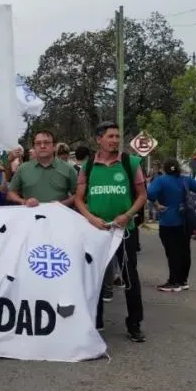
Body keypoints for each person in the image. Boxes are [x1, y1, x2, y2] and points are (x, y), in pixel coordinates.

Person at [75, 121, 147, 343]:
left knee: (129, 278)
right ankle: (96, 320)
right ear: (99, 139)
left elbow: (142, 196)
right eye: (110, 136)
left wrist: (128, 215)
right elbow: (78, 199)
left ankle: (134, 324)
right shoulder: (88, 166)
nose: (115, 140)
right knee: (94, 276)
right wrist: (91, 219)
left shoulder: (130, 163)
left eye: (117, 136)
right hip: (96, 231)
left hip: (124, 232)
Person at [147, 158, 196, 292]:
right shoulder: (186, 180)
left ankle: (173, 281)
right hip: (185, 220)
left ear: (164, 168)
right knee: (184, 250)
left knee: (172, 252)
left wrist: (157, 205)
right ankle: (183, 280)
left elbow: (150, 193)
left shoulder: (161, 180)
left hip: (168, 220)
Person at [7, 130, 77, 207]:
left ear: (54, 146)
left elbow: (78, 195)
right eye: (38, 143)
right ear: (34, 147)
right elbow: (11, 193)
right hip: (31, 213)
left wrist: (62, 204)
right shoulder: (23, 169)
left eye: (46, 142)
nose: (42, 146)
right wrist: (24, 201)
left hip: (60, 213)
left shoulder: (68, 169)